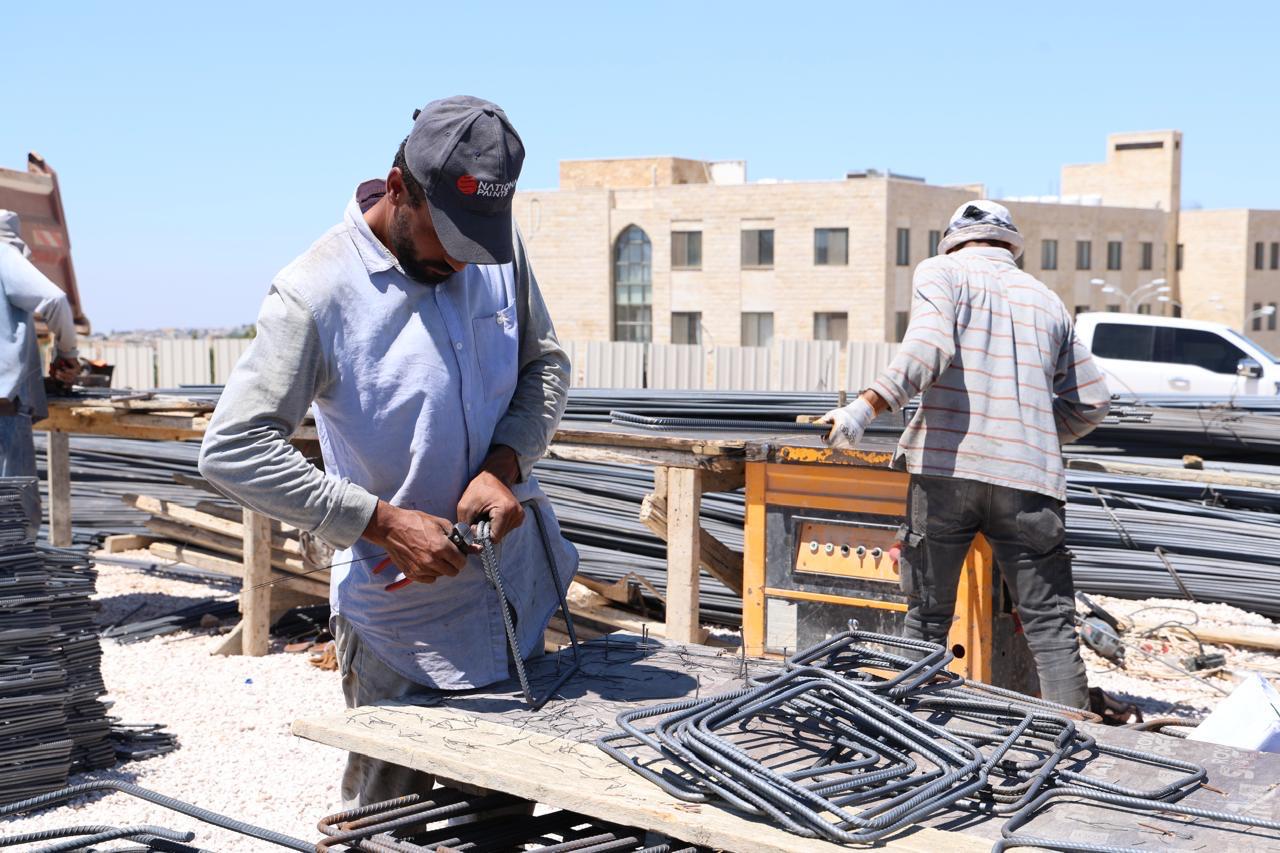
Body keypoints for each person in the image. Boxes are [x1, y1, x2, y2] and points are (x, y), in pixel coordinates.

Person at [198, 96, 576, 806]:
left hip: (510, 606)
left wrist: (503, 466)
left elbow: (546, 365)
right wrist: (382, 522)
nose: (462, 264)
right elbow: (233, 448)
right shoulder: (315, 292)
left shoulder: (493, 249)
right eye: (446, 242)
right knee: (386, 827)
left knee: (498, 819)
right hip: (400, 631)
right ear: (400, 189)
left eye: (476, 247)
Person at [818, 200, 1110, 709]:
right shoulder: (1047, 300)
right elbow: (1094, 401)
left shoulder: (942, 271)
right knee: (1049, 627)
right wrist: (1031, 435)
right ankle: (1069, 742)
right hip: (1029, 480)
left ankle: (906, 734)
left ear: (953, 239)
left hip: (946, 471)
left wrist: (862, 410)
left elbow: (928, 348)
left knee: (927, 619)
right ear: (1010, 244)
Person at [1, 210, 80, 532]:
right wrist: (67, 353)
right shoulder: (3, 254)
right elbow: (55, 299)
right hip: (4, 406)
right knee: (13, 513)